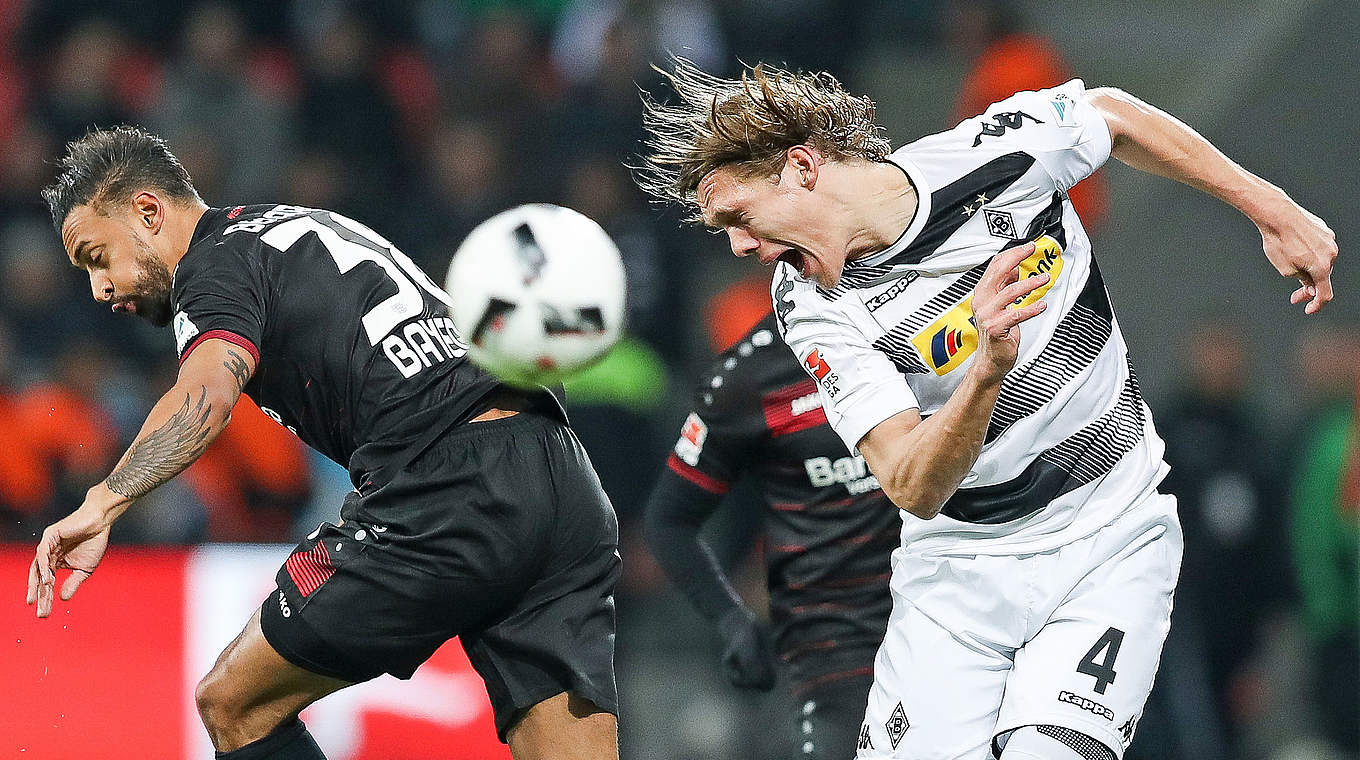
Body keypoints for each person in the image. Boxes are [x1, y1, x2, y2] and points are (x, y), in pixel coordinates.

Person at [637, 60, 1336, 760]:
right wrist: (987, 370)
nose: (737, 245)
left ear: (799, 168)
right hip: (957, 574)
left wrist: (1270, 208)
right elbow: (911, 482)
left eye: (738, 216)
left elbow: (1113, 114)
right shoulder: (810, 304)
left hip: (1108, 542)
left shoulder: (993, 156)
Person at [26, 126, 621, 760]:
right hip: (556, 469)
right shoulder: (287, 227)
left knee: (234, 702)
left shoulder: (212, 266)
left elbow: (207, 396)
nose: (99, 288)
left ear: (148, 212)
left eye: (97, 256)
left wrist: (104, 502)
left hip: (443, 489)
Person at [645, 312, 899, 759]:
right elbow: (669, 520)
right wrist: (731, 619)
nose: (744, 243)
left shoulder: (927, 320)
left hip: (949, 614)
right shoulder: (747, 377)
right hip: (837, 646)